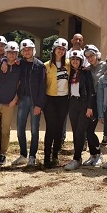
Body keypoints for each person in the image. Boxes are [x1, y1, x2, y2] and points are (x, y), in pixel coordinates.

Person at [11, 39, 46, 167]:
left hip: (35, 101)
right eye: (24, 50)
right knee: (20, 128)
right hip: (23, 99)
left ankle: (32, 156)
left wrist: (39, 105)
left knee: (34, 130)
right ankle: (23, 155)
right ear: (21, 51)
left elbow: (43, 87)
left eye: (29, 49)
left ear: (33, 50)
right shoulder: (19, 64)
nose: (27, 51)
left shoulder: (40, 65)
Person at [65, 50, 96, 170]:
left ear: (81, 61)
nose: (75, 61)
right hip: (73, 103)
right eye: (73, 59)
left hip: (83, 103)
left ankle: (76, 158)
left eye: (77, 59)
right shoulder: (69, 72)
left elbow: (91, 91)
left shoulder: (86, 73)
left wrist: (89, 107)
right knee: (74, 131)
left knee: (80, 131)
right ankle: (78, 157)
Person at [43, 38, 70, 168]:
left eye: (63, 49)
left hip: (64, 99)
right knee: (51, 128)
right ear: (54, 49)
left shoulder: (69, 64)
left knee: (59, 128)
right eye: (59, 48)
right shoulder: (46, 65)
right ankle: (46, 158)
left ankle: (55, 156)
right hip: (50, 99)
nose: (61, 51)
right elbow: (42, 85)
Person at [83, 44, 105, 166]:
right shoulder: (88, 69)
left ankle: (99, 154)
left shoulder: (105, 65)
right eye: (87, 56)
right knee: (88, 129)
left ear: (97, 54)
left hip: (101, 100)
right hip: (91, 100)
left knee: (90, 129)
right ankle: (93, 154)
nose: (90, 58)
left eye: (92, 55)